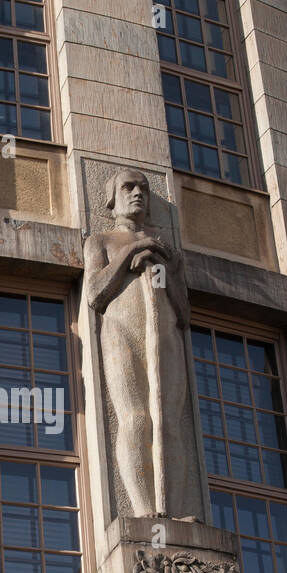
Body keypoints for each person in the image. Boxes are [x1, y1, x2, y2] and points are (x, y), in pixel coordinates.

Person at [83, 169, 195, 519]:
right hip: (121, 330)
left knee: (168, 423)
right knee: (135, 417)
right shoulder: (101, 241)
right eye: (128, 188)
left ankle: (171, 510)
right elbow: (95, 293)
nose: (137, 194)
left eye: (143, 189)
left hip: (163, 335)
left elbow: (183, 309)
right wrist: (129, 254)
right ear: (112, 198)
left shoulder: (166, 251)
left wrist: (159, 263)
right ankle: (144, 509)